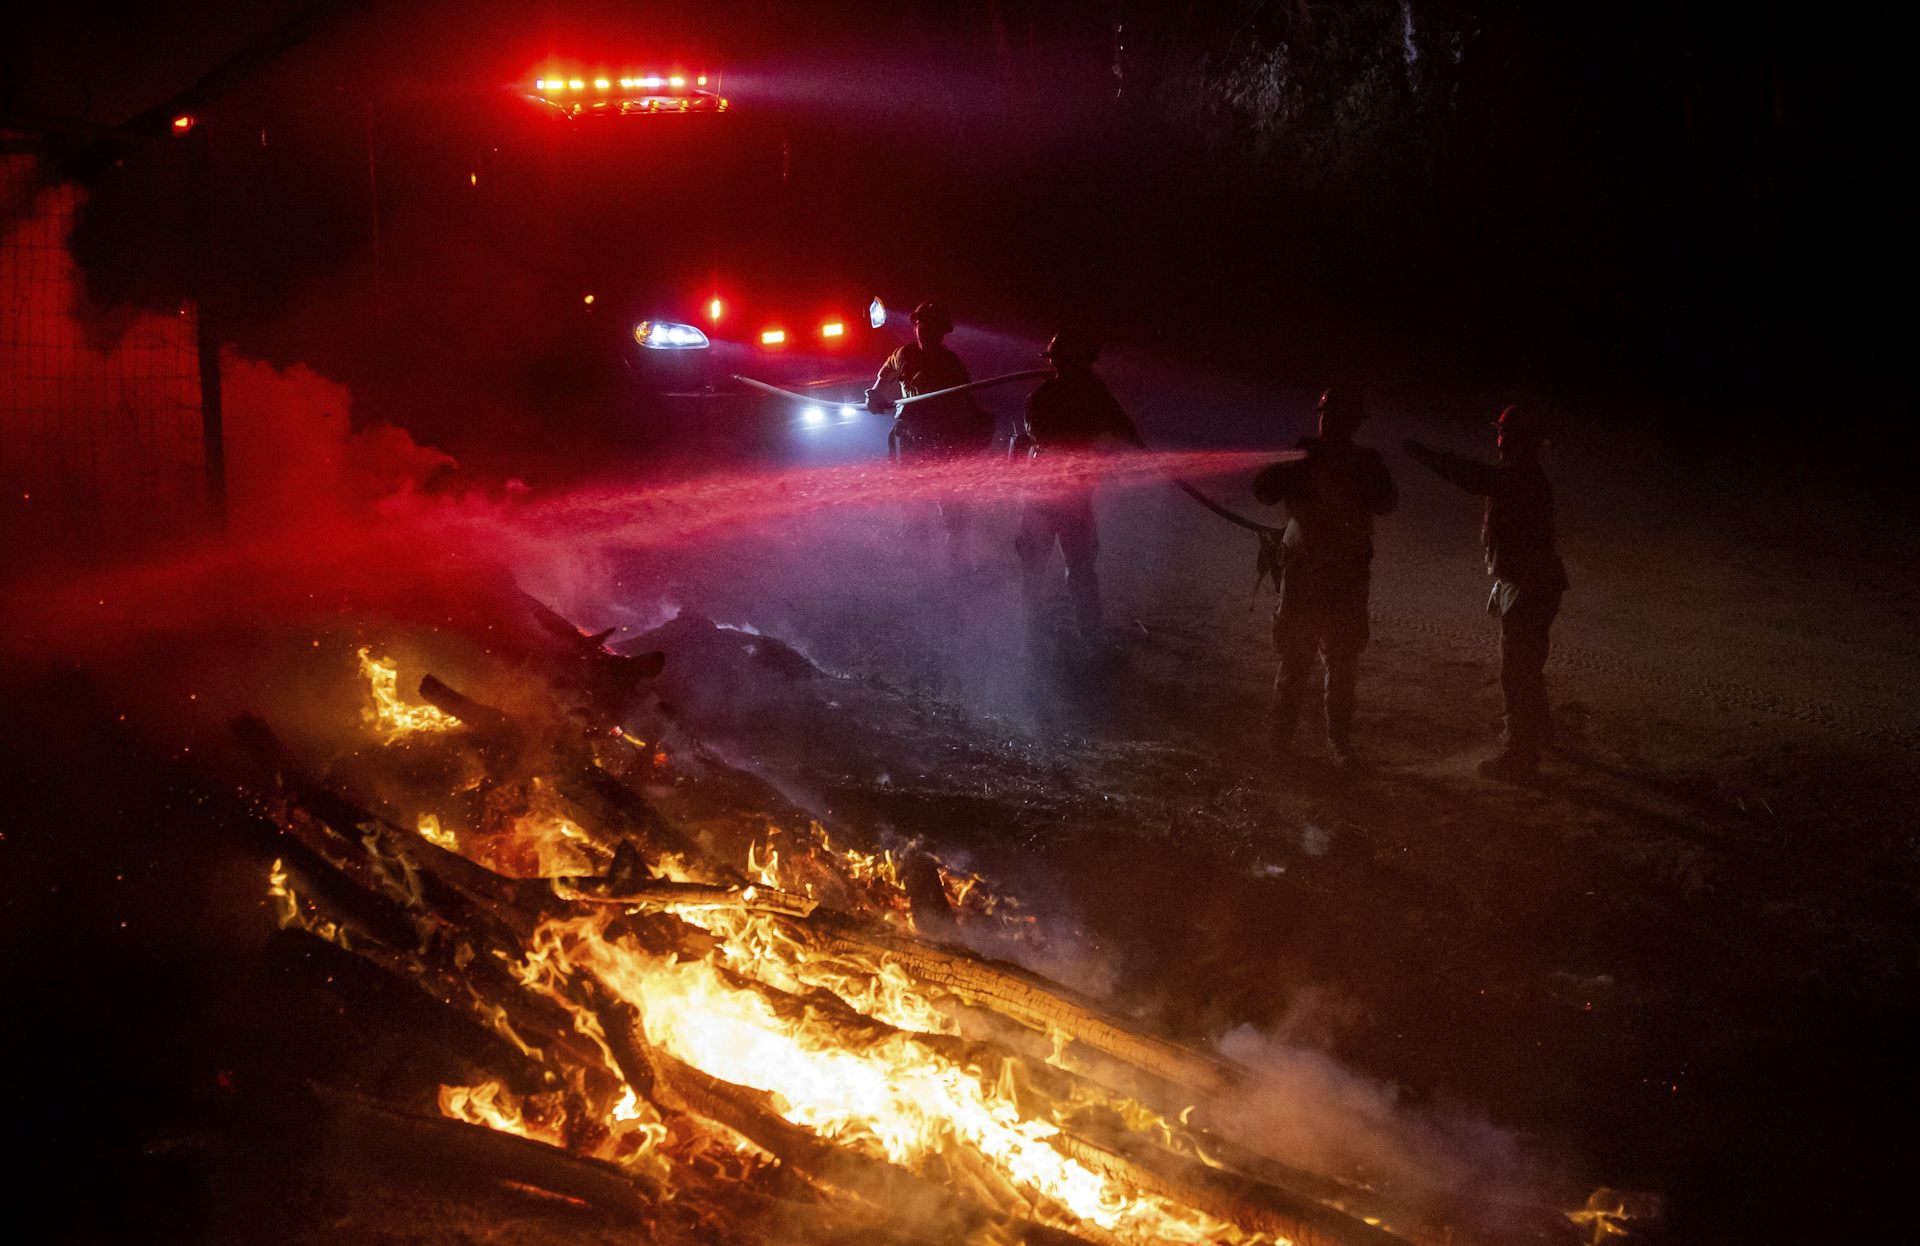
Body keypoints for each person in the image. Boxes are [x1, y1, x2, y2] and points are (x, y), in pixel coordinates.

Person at [1404, 405, 1568, 781]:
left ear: (1519, 442)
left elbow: (1471, 477)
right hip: (1534, 584)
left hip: (1529, 586)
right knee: (1526, 664)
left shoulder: (1519, 479)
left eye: (1505, 435)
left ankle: (1520, 756)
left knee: (1517, 671)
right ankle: (1541, 733)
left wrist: (1428, 457)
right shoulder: (1523, 477)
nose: (1499, 440)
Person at [1251, 386, 1398, 767]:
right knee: (1305, 661)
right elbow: (1263, 490)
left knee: (1336, 662)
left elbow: (1386, 502)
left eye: (1334, 418)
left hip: (1339, 578)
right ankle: (1290, 741)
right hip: (1314, 577)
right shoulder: (1308, 458)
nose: (1328, 423)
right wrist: (1294, 463)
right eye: (1328, 417)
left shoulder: (1363, 462)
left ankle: (1333, 743)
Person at [1012, 330, 1142, 649]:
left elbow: (1120, 423)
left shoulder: (1094, 393)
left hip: (1073, 499)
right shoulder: (1044, 398)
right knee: (1035, 568)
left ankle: (1090, 636)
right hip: (1042, 496)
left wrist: (1137, 444)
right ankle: (1030, 634)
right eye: (1072, 363)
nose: (1082, 369)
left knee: (1081, 570)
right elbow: (1043, 434)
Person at [865, 301, 994, 564]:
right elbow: (887, 372)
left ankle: (960, 570)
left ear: (942, 332)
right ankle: (923, 577)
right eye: (923, 325)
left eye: (934, 327)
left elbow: (965, 405)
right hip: (912, 442)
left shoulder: (951, 363)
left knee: (954, 513)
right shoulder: (904, 355)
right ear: (916, 325)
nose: (927, 332)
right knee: (915, 512)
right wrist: (875, 394)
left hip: (944, 442)